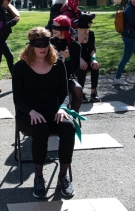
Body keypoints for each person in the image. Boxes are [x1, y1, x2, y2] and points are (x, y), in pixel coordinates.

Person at [12, 27, 76, 198]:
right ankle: (39, 177)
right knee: (40, 129)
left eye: (45, 44)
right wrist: (31, 112)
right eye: (38, 44)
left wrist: (62, 108)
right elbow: (18, 99)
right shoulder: (20, 67)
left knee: (69, 126)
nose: (43, 48)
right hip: (28, 114)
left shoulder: (57, 64)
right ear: (30, 45)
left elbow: (64, 94)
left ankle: (63, 176)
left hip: (53, 111)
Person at [51, 15, 83, 112]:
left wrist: (68, 58)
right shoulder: (50, 43)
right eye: (53, 26)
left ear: (64, 29)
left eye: (56, 27)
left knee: (78, 90)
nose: (53, 29)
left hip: (66, 77)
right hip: (50, 77)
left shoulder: (75, 46)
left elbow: (75, 68)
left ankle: (73, 115)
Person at [76, 13, 100, 103]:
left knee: (95, 67)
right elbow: (73, 51)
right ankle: (80, 92)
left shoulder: (91, 33)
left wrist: (94, 59)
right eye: (90, 22)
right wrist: (80, 60)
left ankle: (93, 92)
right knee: (82, 68)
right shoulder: (74, 33)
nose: (91, 23)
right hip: (77, 58)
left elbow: (92, 49)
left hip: (88, 58)